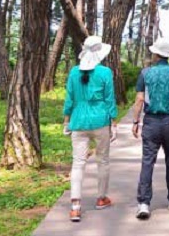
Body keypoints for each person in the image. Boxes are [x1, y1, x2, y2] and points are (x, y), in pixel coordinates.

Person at [132, 37, 169, 220]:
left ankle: (143, 203)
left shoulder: (145, 73)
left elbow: (140, 99)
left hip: (151, 122)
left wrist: (135, 121)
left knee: (147, 161)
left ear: (157, 54)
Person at [62, 35, 118, 222]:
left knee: (78, 162)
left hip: (78, 121)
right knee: (103, 160)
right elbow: (109, 99)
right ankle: (101, 198)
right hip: (100, 121)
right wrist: (114, 122)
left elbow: (69, 99)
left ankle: (75, 206)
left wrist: (66, 121)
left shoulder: (74, 72)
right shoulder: (105, 72)